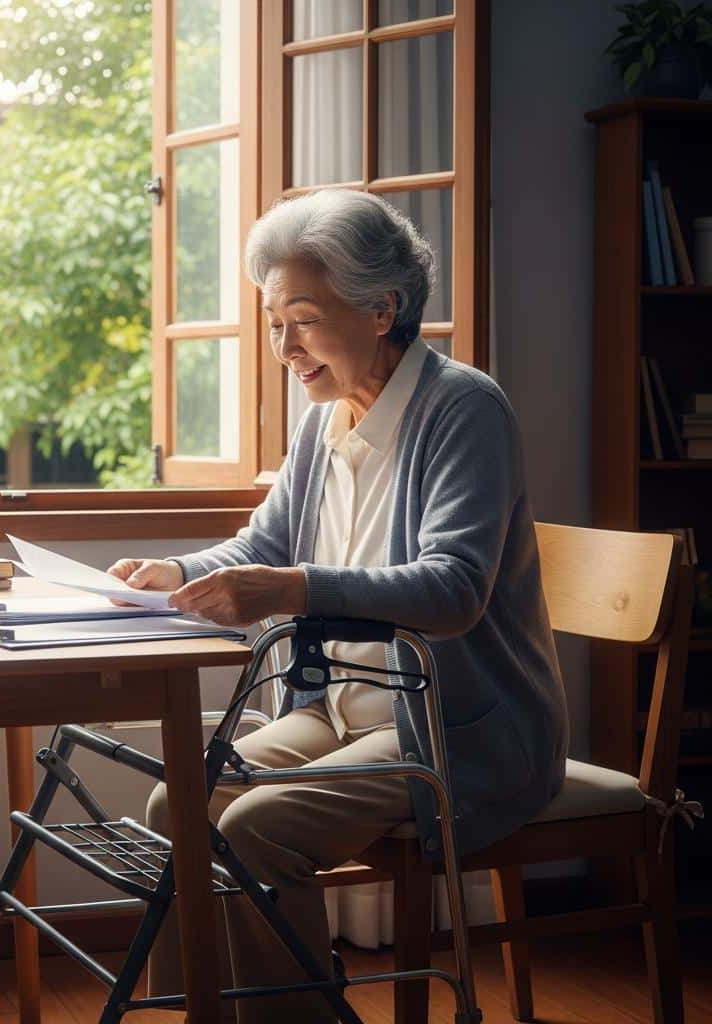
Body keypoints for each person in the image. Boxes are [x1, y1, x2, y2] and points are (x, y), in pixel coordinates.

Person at [107, 189, 569, 1024]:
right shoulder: (324, 421)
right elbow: (262, 546)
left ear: (381, 307)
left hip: (454, 726)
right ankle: (207, 1012)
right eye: (274, 321)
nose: (283, 346)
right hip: (339, 711)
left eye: (303, 320)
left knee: (254, 827)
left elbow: (454, 586)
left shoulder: (465, 409)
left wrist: (295, 589)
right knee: (178, 804)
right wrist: (170, 571)